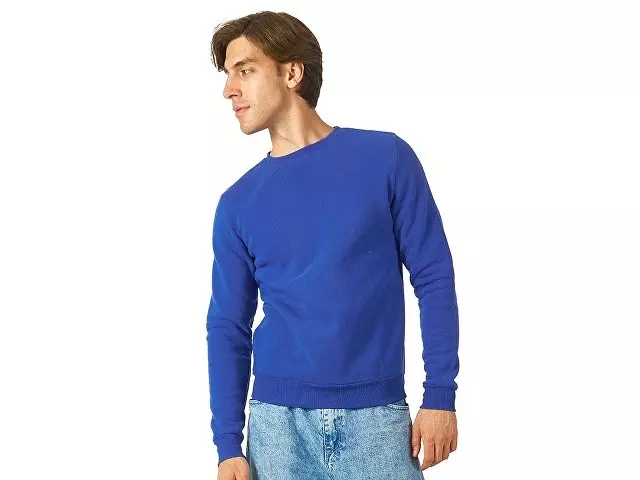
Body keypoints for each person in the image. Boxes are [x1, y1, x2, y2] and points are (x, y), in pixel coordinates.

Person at [206, 10, 459, 480]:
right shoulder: (237, 203)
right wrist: (227, 445)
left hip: (378, 421)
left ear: (291, 72)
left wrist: (440, 394)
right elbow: (227, 327)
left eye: (245, 70)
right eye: (227, 74)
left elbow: (433, 276)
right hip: (276, 430)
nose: (229, 89)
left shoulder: (386, 158)